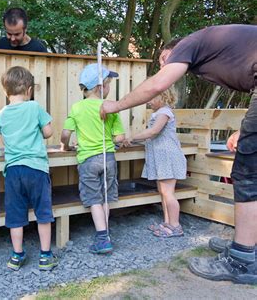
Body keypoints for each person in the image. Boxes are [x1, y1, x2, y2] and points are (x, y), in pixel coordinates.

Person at [100, 24, 257, 284]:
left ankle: (242, 260)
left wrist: (115, 105)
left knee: (246, 174)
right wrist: (245, 132)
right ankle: (248, 246)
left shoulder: (188, 44)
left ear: (174, 49)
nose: (165, 66)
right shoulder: (214, 47)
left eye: (164, 59)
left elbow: (157, 84)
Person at [0, 66, 57, 271]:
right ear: (29, 90)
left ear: (6, 91)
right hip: (36, 168)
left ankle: (17, 255)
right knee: (43, 211)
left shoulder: (2, 114)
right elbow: (48, 132)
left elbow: (4, 140)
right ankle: (45, 256)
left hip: (13, 170)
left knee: (15, 214)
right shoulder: (34, 107)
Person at [60, 63, 124, 254]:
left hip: (88, 159)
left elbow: (65, 133)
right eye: (108, 83)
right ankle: (106, 233)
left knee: (94, 199)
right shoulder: (110, 107)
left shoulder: (77, 108)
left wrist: (66, 146)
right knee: (105, 196)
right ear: (100, 87)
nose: (109, 87)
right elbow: (119, 138)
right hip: (108, 158)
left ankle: (102, 237)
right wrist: (116, 142)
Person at [122, 89, 187, 238]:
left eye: (152, 98)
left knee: (169, 193)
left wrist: (132, 138)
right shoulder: (159, 113)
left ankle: (175, 226)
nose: (148, 101)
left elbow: (153, 132)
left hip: (167, 157)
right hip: (160, 157)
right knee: (163, 192)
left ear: (163, 97)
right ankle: (167, 223)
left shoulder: (165, 112)